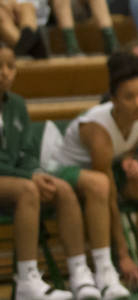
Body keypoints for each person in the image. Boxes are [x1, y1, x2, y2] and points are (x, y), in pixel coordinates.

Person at [44, 53, 138, 297]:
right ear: (114, 100)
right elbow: (109, 195)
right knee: (101, 185)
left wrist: (129, 161)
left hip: (105, 171)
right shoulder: (97, 129)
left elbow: (125, 149)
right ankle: (105, 272)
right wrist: (124, 255)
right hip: (65, 173)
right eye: (129, 97)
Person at [0, 45, 100, 300]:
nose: (4, 73)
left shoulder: (17, 104)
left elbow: (27, 150)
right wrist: (27, 176)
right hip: (11, 180)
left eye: (10, 67)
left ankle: (79, 274)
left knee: (61, 188)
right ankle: (26, 280)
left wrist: (33, 170)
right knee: (27, 190)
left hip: (13, 177)